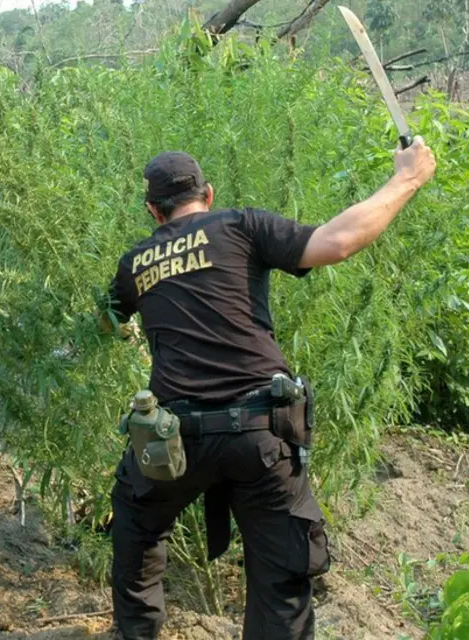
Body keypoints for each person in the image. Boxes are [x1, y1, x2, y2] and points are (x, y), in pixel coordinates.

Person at [104, 137, 436, 640]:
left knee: (135, 528)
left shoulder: (136, 263)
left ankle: (138, 633)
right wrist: (407, 177)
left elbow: (107, 320)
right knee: (280, 577)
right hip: (260, 434)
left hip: (175, 441)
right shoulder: (238, 224)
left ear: (153, 210)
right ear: (208, 195)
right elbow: (337, 242)